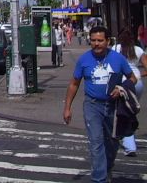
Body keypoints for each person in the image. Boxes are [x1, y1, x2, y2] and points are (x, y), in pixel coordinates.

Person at [63, 25, 137, 183]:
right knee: (96, 143)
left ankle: (108, 167)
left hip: (113, 106)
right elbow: (74, 84)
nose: (96, 44)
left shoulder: (118, 59)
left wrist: (122, 88)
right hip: (92, 105)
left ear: (107, 41)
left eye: (100, 40)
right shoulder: (84, 59)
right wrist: (67, 108)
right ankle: (99, 179)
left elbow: (132, 78)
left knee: (112, 143)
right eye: (93, 40)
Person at [112, 28, 147, 157]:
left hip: (123, 84)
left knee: (123, 112)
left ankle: (129, 144)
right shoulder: (138, 50)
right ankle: (127, 136)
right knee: (130, 109)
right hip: (137, 84)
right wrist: (138, 75)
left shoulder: (116, 49)